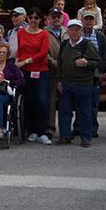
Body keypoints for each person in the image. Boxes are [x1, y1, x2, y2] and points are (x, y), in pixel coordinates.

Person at [56, 20, 100, 147]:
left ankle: (86, 137)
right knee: (64, 111)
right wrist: (59, 80)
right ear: (68, 31)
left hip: (84, 83)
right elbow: (60, 64)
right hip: (66, 83)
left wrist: (87, 63)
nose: (74, 32)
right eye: (72, 29)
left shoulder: (87, 45)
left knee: (85, 112)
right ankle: (65, 136)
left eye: (77, 29)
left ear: (81, 31)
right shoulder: (64, 45)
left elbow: (98, 62)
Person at [13, 7, 53, 145]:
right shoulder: (21, 33)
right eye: (31, 17)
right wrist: (18, 61)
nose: (33, 20)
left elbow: (43, 53)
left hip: (40, 70)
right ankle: (32, 131)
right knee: (29, 101)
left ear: (40, 19)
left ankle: (42, 132)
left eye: (36, 18)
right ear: (27, 18)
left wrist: (27, 61)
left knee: (41, 101)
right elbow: (20, 50)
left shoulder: (44, 34)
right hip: (25, 71)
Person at [78, 9, 106, 137]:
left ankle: (93, 128)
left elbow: (104, 54)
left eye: (91, 19)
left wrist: (103, 71)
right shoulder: (78, 35)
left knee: (93, 103)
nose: (89, 21)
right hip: (80, 73)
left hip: (95, 73)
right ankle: (79, 127)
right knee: (79, 103)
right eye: (86, 19)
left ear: (95, 21)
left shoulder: (100, 36)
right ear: (82, 21)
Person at [45, 8, 68, 138]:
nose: (56, 18)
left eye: (58, 16)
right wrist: (55, 64)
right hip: (51, 71)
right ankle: (50, 128)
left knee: (66, 102)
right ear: (49, 17)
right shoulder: (44, 32)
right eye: (53, 16)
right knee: (51, 102)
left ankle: (65, 131)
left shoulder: (67, 31)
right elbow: (44, 54)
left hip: (66, 73)